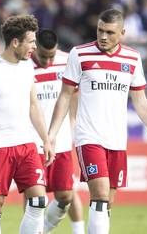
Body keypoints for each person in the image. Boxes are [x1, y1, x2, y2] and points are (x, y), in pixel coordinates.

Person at [47, 8, 147, 234]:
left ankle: (41, 228)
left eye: (109, 32)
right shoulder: (80, 54)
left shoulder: (132, 58)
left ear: (122, 32)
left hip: (116, 140)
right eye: (99, 30)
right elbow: (65, 96)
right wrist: (52, 135)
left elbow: (140, 100)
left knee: (107, 203)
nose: (103, 36)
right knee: (100, 196)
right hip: (89, 137)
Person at [0, 14, 54, 234]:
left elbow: (34, 105)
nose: (34, 47)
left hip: (26, 144)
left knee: (39, 201)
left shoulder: (27, 68)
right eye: (31, 42)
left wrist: (46, 140)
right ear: (15, 42)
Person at [29, 29, 85, 234]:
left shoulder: (67, 60)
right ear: (34, 47)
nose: (47, 61)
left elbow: (73, 94)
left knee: (66, 196)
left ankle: (51, 230)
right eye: (43, 56)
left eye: (51, 56)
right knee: (36, 199)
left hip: (60, 141)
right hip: (32, 142)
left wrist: (73, 122)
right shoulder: (23, 65)